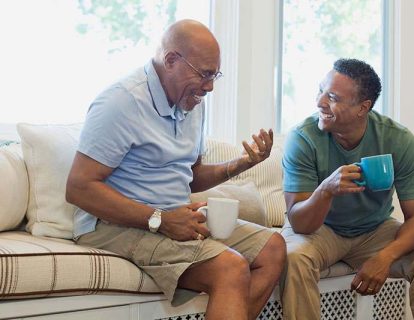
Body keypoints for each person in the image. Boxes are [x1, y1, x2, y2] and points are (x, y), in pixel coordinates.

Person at [66, 19, 286, 320]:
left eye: (215, 75)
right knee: (230, 267)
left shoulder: (192, 102)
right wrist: (159, 219)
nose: (209, 87)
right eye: (205, 74)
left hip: (173, 215)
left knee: (273, 248)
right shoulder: (121, 102)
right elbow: (79, 188)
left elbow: (191, 176)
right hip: (112, 225)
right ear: (171, 60)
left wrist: (241, 164)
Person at [280, 58, 414, 320]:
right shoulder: (303, 138)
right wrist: (325, 191)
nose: (320, 102)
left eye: (333, 97)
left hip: (375, 229)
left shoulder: (397, 139)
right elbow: (300, 222)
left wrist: (385, 256)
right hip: (320, 230)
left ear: (363, 108)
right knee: (294, 259)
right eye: (320, 90)